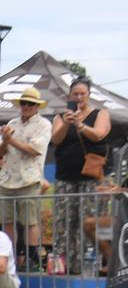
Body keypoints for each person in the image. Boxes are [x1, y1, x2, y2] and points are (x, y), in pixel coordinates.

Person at [50, 77, 112, 274]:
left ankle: (88, 266)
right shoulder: (60, 117)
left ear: (88, 95)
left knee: (89, 223)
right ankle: (63, 265)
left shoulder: (100, 113)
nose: (78, 98)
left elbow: (99, 134)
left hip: (91, 177)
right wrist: (68, 124)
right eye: (75, 94)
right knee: (64, 223)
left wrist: (81, 125)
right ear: (69, 96)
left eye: (82, 94)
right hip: (65, 177)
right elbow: (55, 139)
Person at [0, 86, 52, 271]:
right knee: (6, 222)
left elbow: (34, 150)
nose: (26, 106)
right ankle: (9, 256)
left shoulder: (43, 125)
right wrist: (5, 140)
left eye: (30, 103)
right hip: (6, 179)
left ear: (37, 106)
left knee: (30, 221)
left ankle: (31, 257)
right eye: (23, 103)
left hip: (29, 179)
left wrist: (10, 141)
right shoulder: (11, 123)